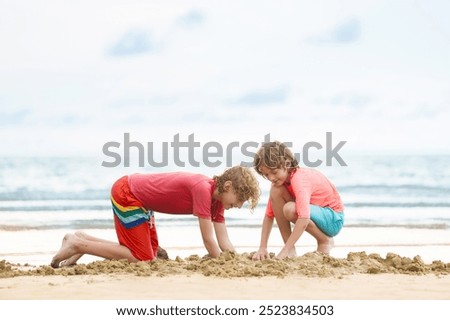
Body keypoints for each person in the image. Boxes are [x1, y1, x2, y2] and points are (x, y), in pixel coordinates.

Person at [51, 166, 260, 268]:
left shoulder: (218, 202)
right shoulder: (203, 190)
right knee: (142, 257)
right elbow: (208, 240)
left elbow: (223, 239)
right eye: (239, 199)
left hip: (144, 203)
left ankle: (81, 238)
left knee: (152, 253)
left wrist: (233, 258)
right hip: (128, 193)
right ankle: (78, 245)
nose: (239, 205)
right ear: (228, 186)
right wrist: (220, 262)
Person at [252, 141, 344, 260]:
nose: (271, 178)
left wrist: (283, 252)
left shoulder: (300, 179)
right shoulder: (279, 185)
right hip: (315, 213)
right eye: (266, 175)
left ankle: (324, 241)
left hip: (333, 219)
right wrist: (262, 247)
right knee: (276, 191)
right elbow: (269, 216)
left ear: (287, 163)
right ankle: (291, 250)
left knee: (290, 209)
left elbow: (304, 217)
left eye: (274, 172)